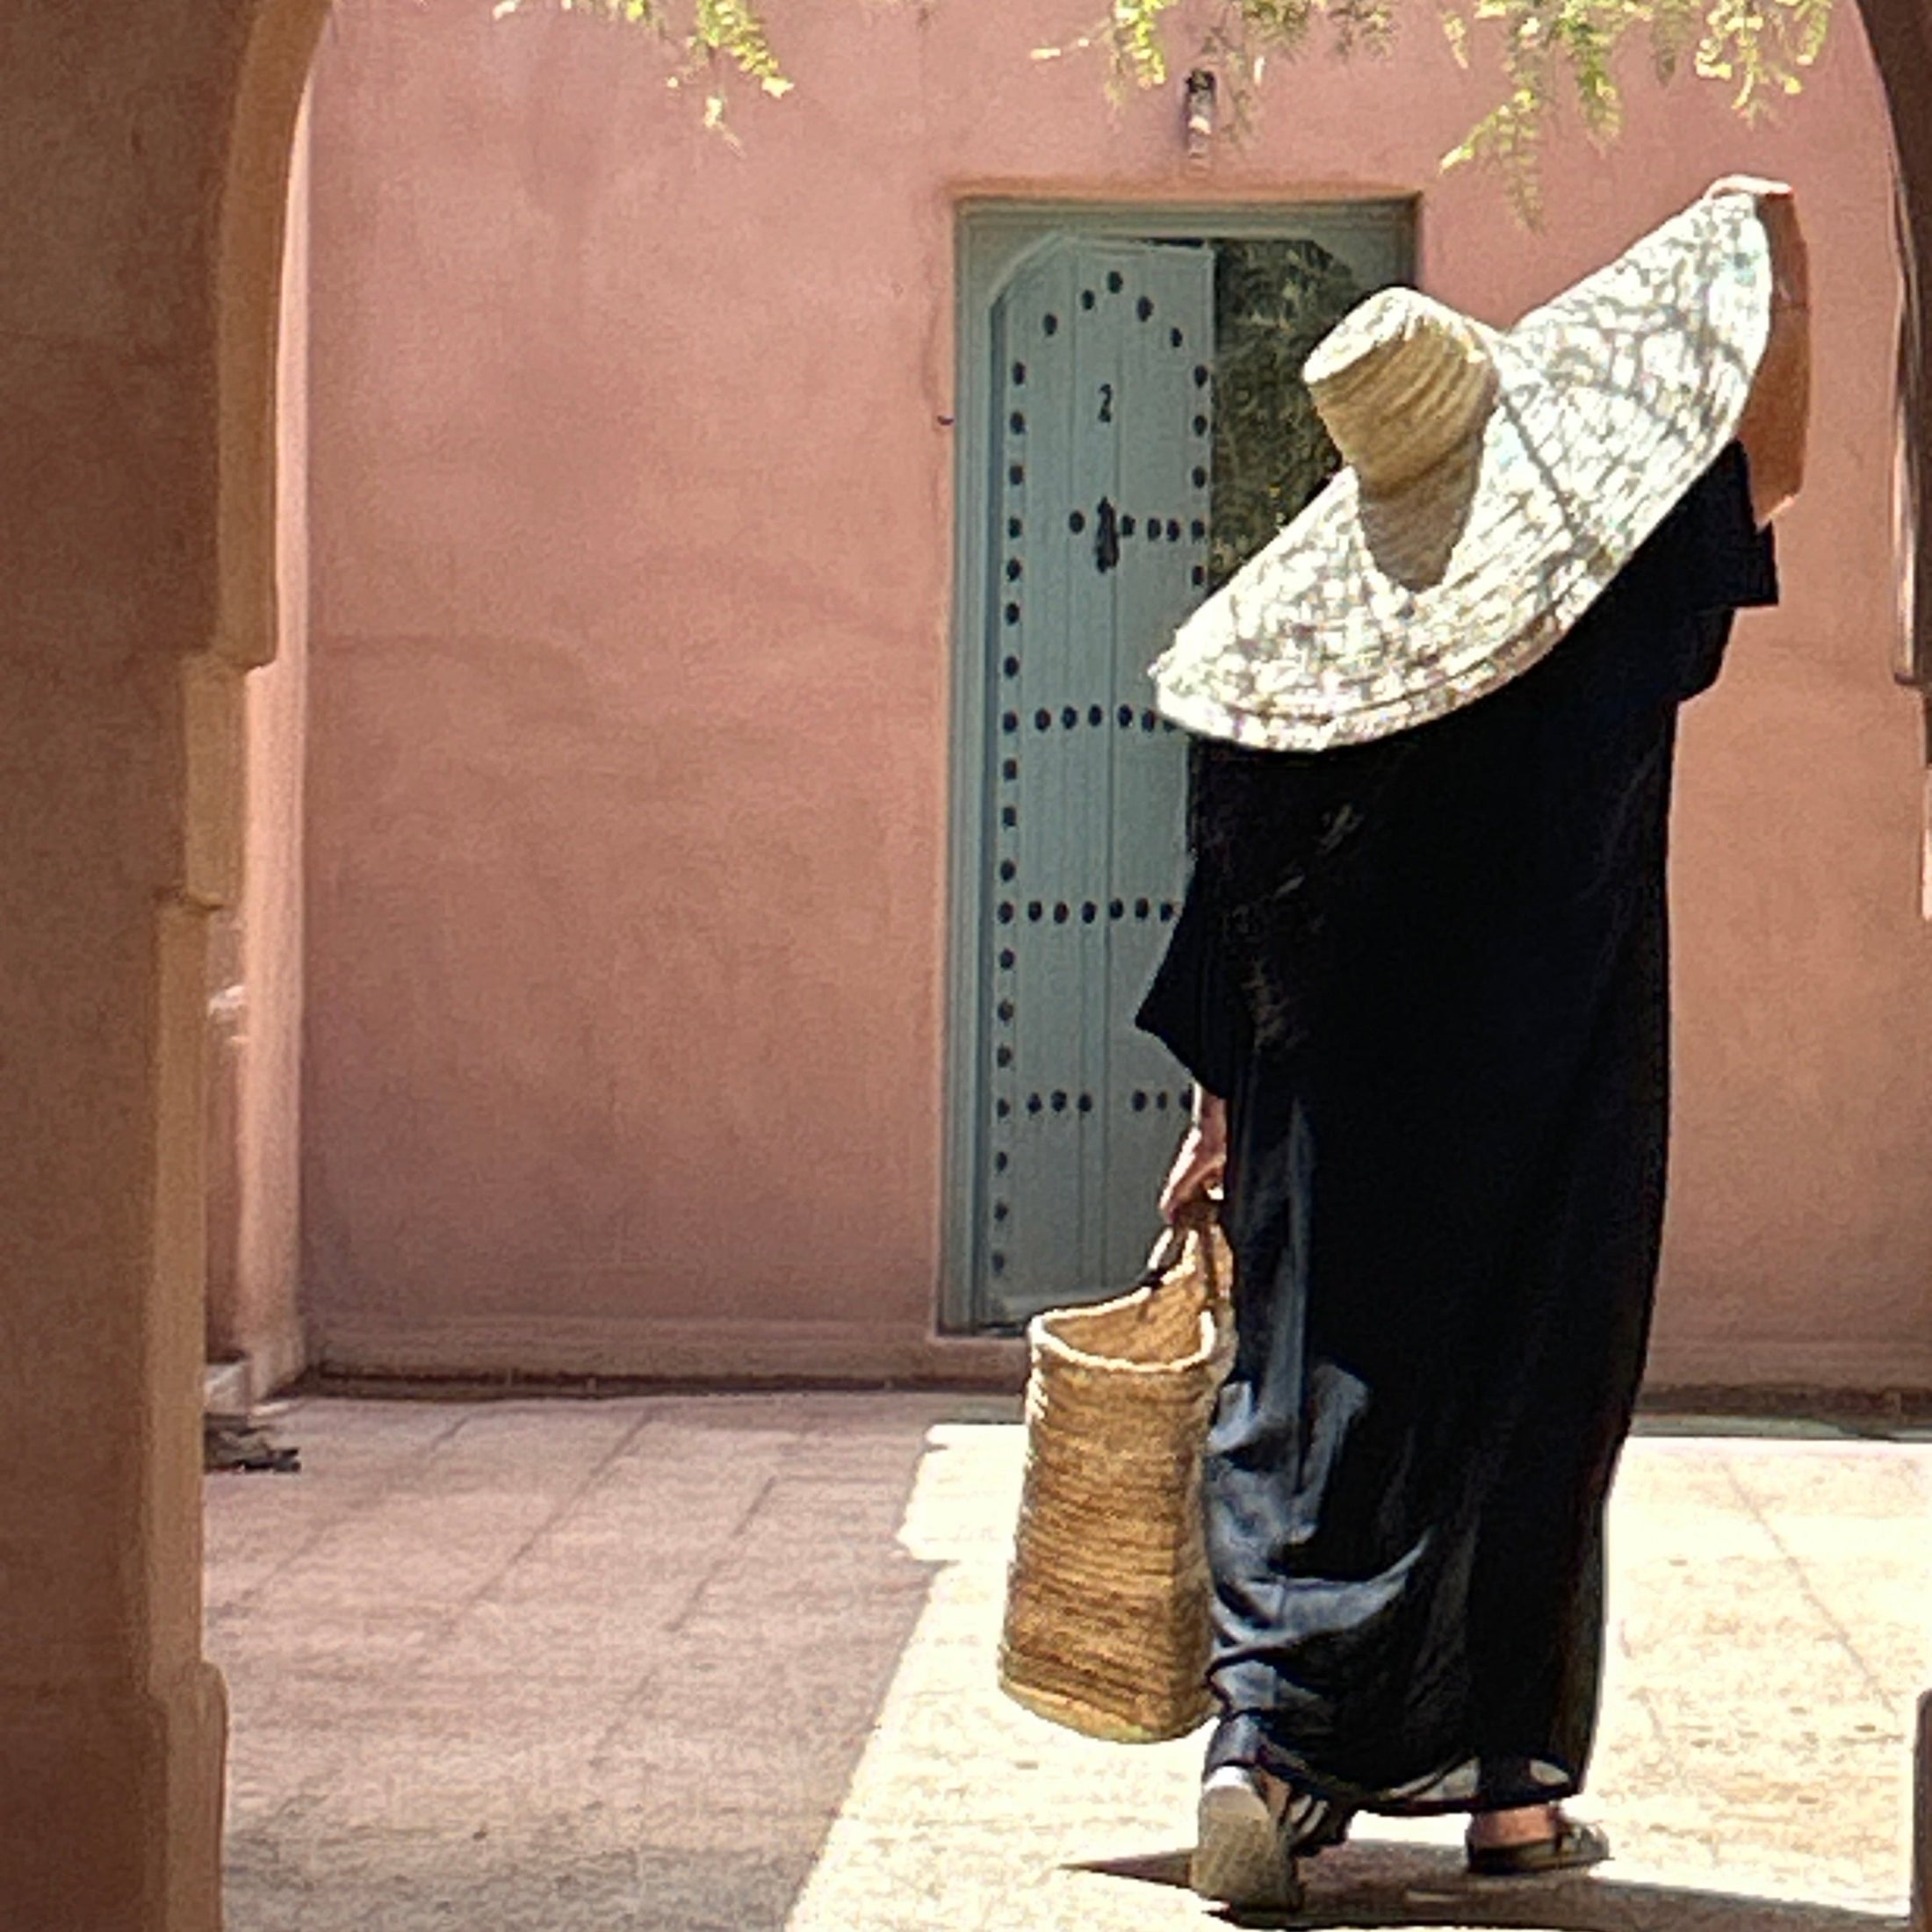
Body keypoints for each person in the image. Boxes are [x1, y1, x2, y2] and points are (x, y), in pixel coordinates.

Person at [1135, 177, 1812, 1911]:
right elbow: (1772, 454)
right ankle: (1508, 1788)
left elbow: (1233, 909)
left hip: (1334, 1120)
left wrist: (1214, 1108)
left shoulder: (1292, 707)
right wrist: (1762, 248)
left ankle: (1263, 1751)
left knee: (1307, 1400)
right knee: (1532, 1394)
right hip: (1557, 1084)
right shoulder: (1609, 613)